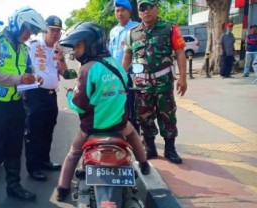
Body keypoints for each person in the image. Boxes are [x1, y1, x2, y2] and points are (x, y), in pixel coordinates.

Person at [55, 22, 150, 202]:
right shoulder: (116, 64)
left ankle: (62, 188)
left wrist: (69, 96)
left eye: (78, 45)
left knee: (73, 153)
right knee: (135, 137)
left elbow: (79, 105)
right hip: (119, 127)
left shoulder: (87, 69)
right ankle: (144, 164)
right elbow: (125, 89)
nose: (75, 51)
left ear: (91, 44)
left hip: (92, 129)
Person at [0, 6, 47, 208]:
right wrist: (19, 79)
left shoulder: (24, 48)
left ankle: (13, 186)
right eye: (29, 29)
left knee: (14, 148)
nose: (30, 35)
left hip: (15, 104)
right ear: (18, 23)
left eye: (33, 32)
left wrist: (35, 78)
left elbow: (28, 72)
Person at [122, 0, 187, 164]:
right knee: (144, 116)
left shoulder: (170, 28)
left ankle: (170, 149)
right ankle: (150, 147)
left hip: (163, 82)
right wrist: (121, 77)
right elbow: (127, 56)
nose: (146, 11)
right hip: (141, 85)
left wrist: (183, 78)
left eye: (150, 7)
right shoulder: (132, 33)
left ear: (157, 8)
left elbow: (180, 52)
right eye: (142, 8)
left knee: (168, 116)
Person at [25, 15, 75, 181]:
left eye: (58, 31)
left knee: (48, 130)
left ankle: (44, 161)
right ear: (45, 30)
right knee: (34, 132)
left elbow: (64, 73)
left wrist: (61, 57)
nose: (55, 33)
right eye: (52, 30)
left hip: (51, 96)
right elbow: (24, 67)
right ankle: (33, 168)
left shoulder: (57, 49)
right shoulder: (32, 45)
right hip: (35, 95)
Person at [108, 0, 140, 132]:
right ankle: (122, 134)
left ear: (129, 11)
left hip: (131, 75)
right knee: (118, 107)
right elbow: (110, 53)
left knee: (133, 108)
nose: (119, 13)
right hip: (115, 76)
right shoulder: (114, 31)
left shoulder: (137, 28)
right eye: (117, 10)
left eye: (122, 10)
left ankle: (136, 136)